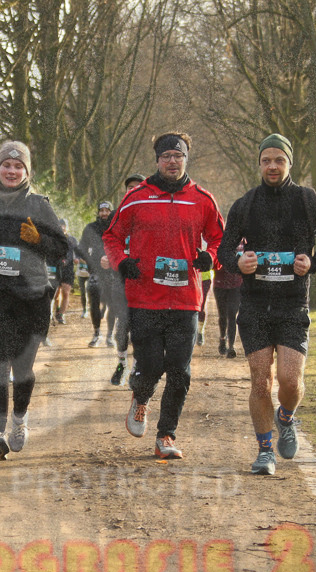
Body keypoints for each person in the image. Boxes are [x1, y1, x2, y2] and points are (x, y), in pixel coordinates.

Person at [218, 133, 316, 475]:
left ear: (289, 163)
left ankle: (286, 417)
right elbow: (224, 251)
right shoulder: (245, 204)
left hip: (292, 305)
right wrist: (238, 263)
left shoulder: (308, 200)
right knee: (260, 382)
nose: (272, 166)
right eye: (266, 160)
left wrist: (312, 263)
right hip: (255, 305)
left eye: (279, 160)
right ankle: (265, 451)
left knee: (289, 381)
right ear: (259, 164)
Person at [103, 132, 224, 459]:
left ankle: (166, 435)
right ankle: (140, 398)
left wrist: (210, 256)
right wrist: (121, 262)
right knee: (152, 365)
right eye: (166, 156)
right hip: (144, 298)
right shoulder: (137, 197)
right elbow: (112, 236)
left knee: (181, 371)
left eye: (178, 155)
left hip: (186, 299)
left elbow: (219, 239)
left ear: (186, 159)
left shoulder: (201, 199)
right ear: (157, 161)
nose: (173, 161)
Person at [0, 141, 67, 460]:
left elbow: (62, 250)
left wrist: (39, 240)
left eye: (18, 166)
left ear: (27, 171)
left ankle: (19, 421)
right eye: (6, 165)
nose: (12, 171)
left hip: (32, 297)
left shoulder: (39, 204)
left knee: (22, 368)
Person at [104, 173, 146, 385]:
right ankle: (121, 363)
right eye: (130, 187)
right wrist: (108, 258)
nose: (133, 190)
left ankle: (137, 367)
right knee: (122, 326)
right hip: (120, 280)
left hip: (145, 281)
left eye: (138, 187)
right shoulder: (117, 215)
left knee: (140, 329)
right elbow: (109, 242)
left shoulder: (152, 213)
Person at [79, 201, 113, 347]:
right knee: (94, 302)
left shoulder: (117, 227)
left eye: (107, 210)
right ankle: (97, 333)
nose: (104, 213)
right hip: (96, 272)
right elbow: (82, 248)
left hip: (114, 272)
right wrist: (90, 262)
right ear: (98, 212)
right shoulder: (90, 228)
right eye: (102, 210)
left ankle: (110, 335)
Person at [214, 257, 242, 358]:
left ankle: (231, 347)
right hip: (220, 285)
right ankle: (222, 339)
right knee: (222, 316)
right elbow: (214, 262)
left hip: (236, 285)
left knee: (232, 314)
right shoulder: (220, 244)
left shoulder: (243, 243)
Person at [53, 219, 78, 325]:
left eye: (64, 225)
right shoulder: (54, 239)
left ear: (67, 227)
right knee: (56, 293)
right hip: (56, 268)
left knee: (66, 292)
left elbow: (79, 251)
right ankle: (57, 310)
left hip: (68, 269)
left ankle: (61, 314)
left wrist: (78, 258)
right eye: (60, 225)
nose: (62, 227)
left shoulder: (72, 240)